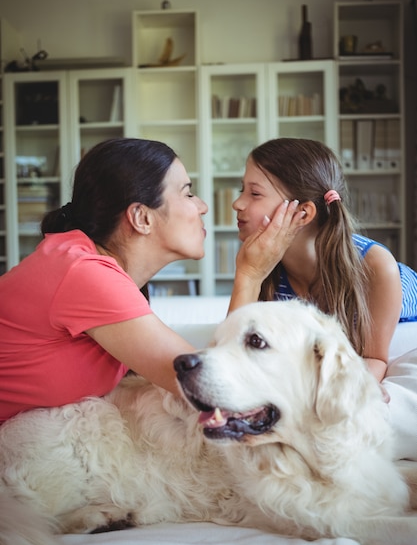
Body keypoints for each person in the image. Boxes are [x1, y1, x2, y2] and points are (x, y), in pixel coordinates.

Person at [0, 137, 208, 422]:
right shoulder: (83, 272)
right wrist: (249, 273)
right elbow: (208, 385)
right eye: (187, 193)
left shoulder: (89, 265)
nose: (203, 206)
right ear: (141, 217)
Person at [229, 137, 417, 386]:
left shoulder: (376, 267)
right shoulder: (259, 262)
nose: (237, 203)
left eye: (254, 193)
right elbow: (234, 350)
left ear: (303, 213)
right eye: (242, 190)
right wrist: (248, 273)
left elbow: (374, 359)